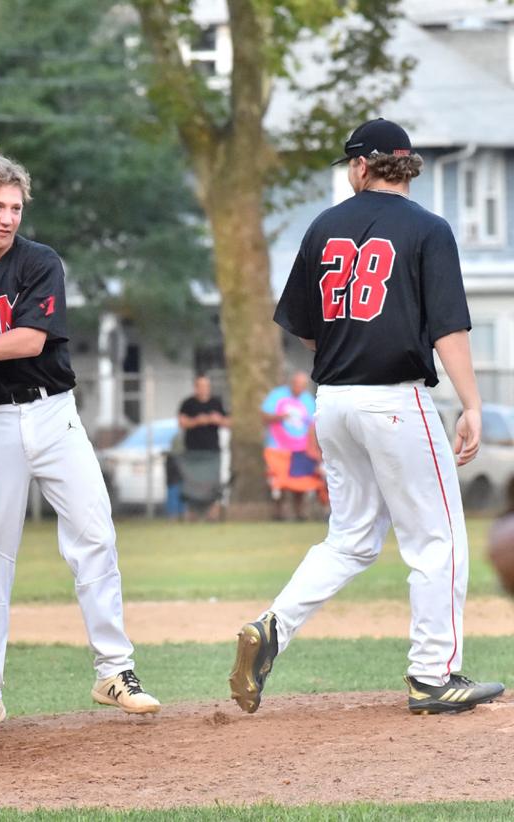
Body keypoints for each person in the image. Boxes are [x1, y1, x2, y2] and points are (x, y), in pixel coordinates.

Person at [229, 118, 505, 715]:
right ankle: (433, 675)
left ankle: (272, 625)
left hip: (333, 402)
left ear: (361, 166)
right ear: (407, 166)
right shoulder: (429, 228)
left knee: (351, 538)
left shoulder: (323, 226)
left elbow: (306, 331)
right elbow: (449, 328)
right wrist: (472, 403)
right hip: (396, 401)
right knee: (438, 538)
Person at [0, 151, 159, 734]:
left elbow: (30, 340)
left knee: (95, 532)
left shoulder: (39, 261)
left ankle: (114, 670)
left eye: (15, 207)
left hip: (53, 412)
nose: (7, 218)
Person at [261, 370, 323, 521]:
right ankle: (278, 513)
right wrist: (279, 417)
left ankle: (300, 513)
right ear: (291, 383)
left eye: (302, 385)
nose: (298, 388)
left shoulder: (308, 400)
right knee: (278, 482)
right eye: (296, 384)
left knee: (300, 482)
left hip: (301, 449)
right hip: (278, 447)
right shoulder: (277, 395)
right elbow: (264, 416)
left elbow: (312, 426)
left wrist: (313, 448)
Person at [177, 374, 230, 521]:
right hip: (193, 452)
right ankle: (192, 515)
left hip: (212, 451)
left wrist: (217, 420)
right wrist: (197, 421)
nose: (204, 389)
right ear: (195, 387)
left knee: (213, 484)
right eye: (200, 386)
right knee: (192, 484)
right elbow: (182, 422)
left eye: (206, 386)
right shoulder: (188, 404)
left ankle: (212, 515)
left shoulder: (216, 403)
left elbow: (228, 422)